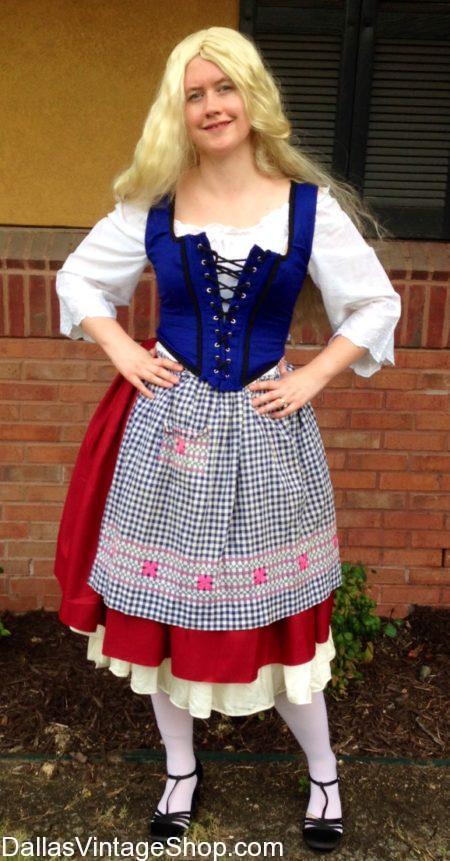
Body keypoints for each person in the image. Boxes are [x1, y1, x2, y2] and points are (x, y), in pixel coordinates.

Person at [54, 25, 401, 854]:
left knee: (279, 616)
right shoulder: (155, 203)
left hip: (267, 436)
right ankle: (180, 770)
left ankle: (324, 773)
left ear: (253, 96)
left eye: (225, 88)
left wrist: (312, 377)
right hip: (166, 435)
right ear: (178, 111)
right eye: (194, 94)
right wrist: (124, 348)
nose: (212, 106)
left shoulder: (305, 208)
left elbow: (376, 303)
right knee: (157, 609)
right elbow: (78, 277)